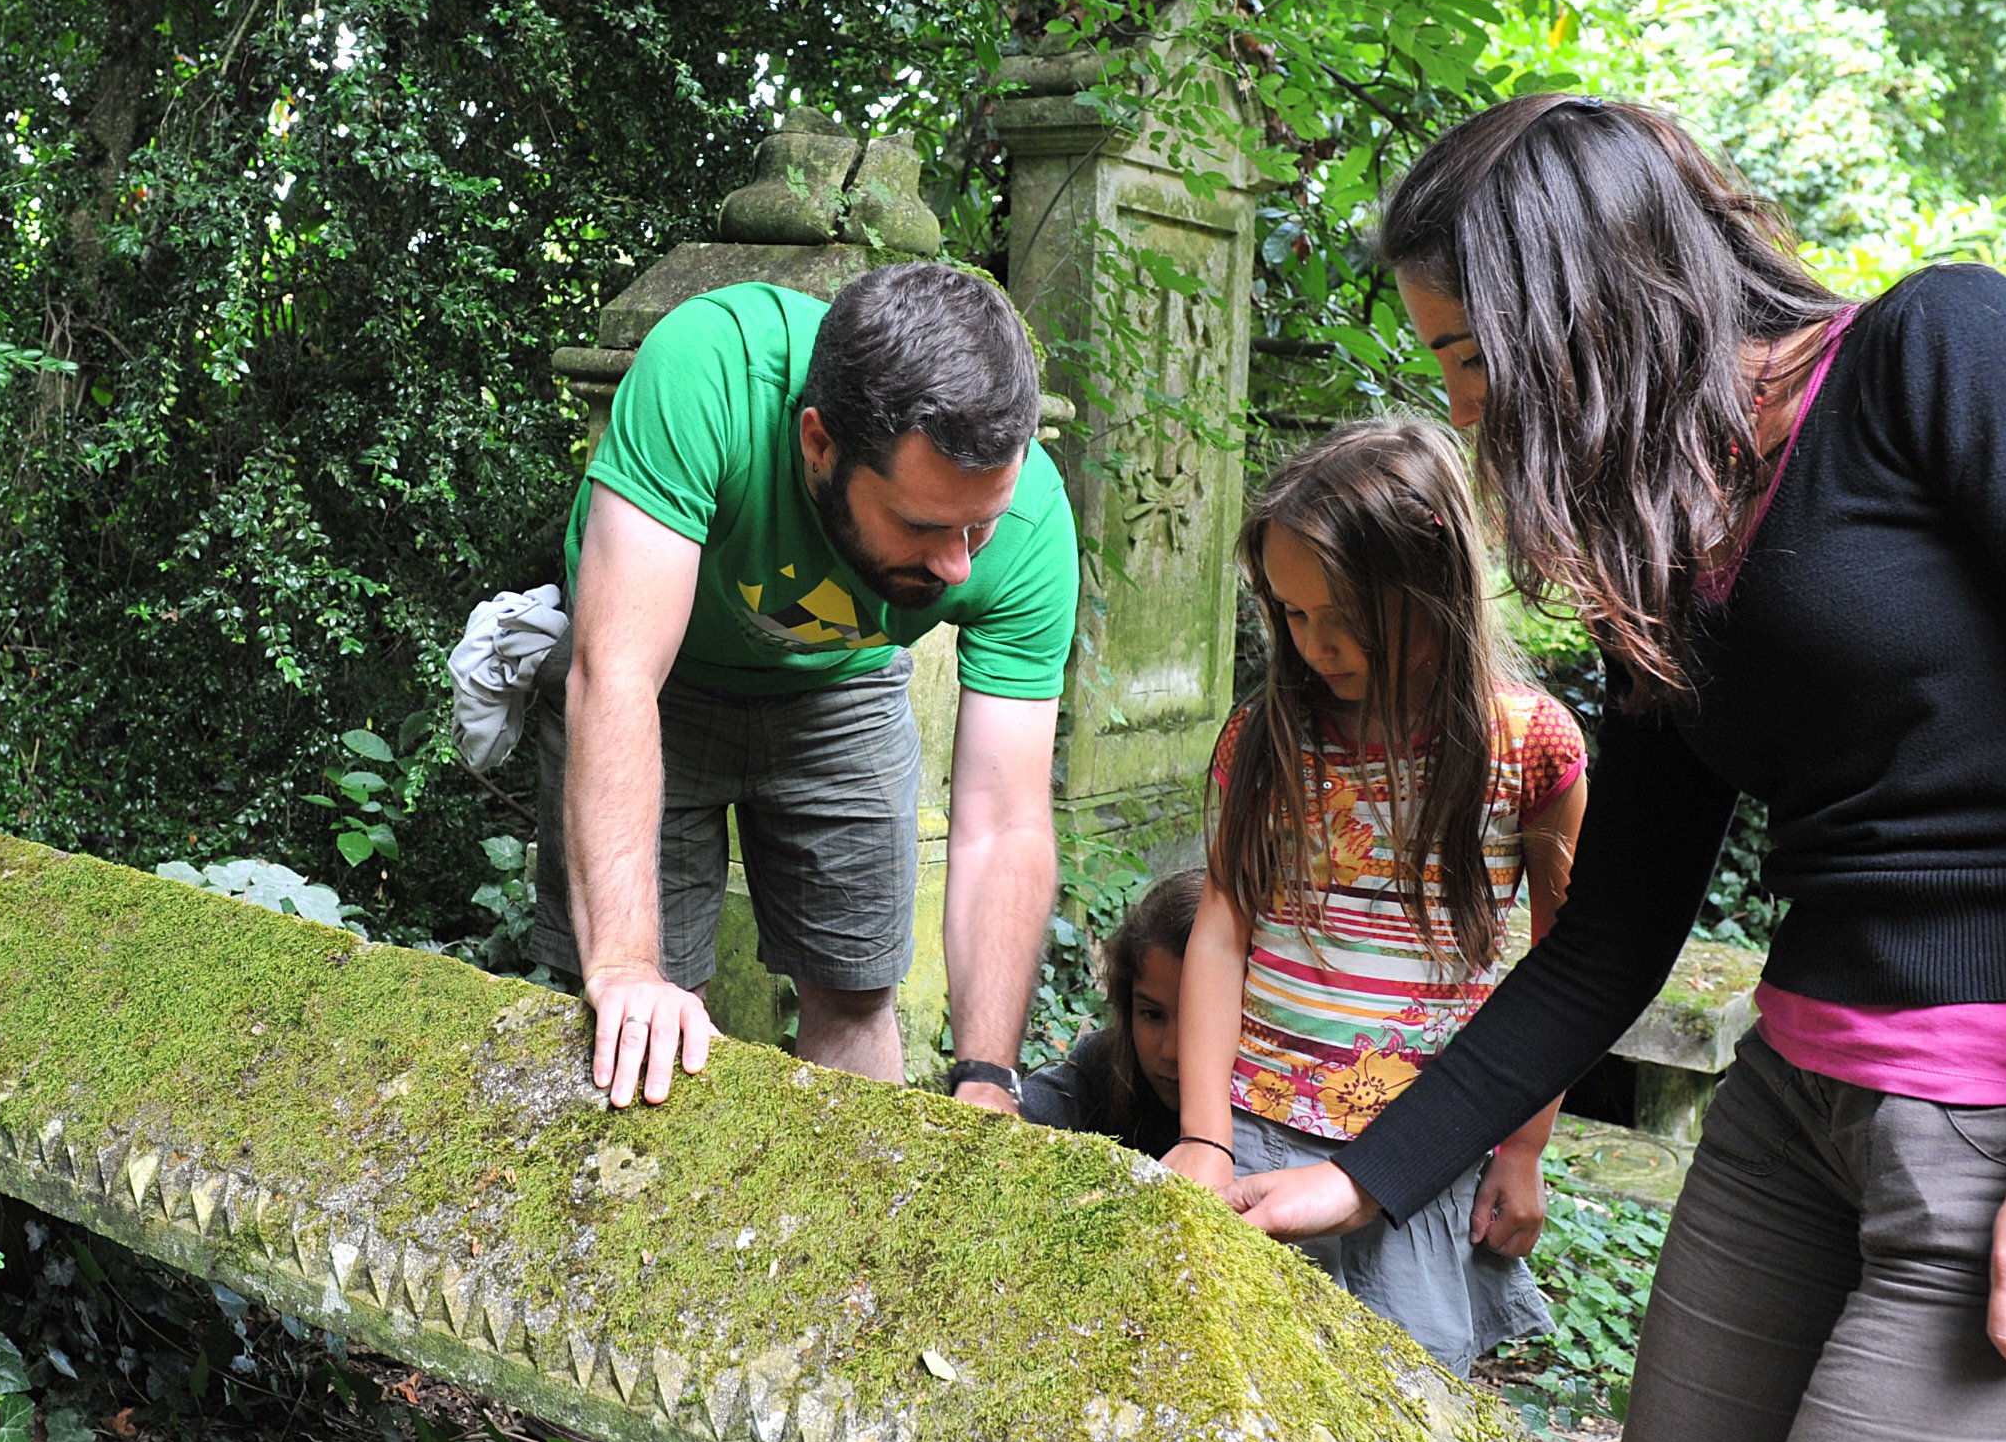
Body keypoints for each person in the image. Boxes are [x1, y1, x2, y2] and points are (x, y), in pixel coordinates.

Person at [1230, 96, 2006, 1442]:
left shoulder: (1943, 354)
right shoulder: (1658, 547)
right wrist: (1371, 1175)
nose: (1455, 403)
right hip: (1794, 1123)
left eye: (1461, 355)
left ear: (1569, 311)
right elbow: (1604, 939)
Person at [531, 262, 1078, 1115]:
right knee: (635, 1013)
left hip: (844, 697)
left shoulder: (1033, 524)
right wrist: (628, 967)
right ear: (818, 443)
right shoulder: (710, 368)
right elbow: (619, 672)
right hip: (658, 687)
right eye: (923, 525)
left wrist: (985, 1077)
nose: (959, 563)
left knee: (858, 991)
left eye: (983, 522)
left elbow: (1004, 820)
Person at [1173, 418, 1587, 1375]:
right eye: (1291, 614)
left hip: (1429, 1141)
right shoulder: (1268, 738)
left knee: (1403, 1388)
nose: (1314, 645)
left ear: (1429, 585)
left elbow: (1563, 976)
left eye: (1343, 616)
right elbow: (1222, 931)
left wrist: (1520, 1152)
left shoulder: (1530, 751)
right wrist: (1204, 1135)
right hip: (1259, 1127)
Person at [1017, 867, 1202, 1158]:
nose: (1171, 1051)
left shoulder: (1284, 1118)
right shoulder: (1108, 1068)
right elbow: (1023, 1114)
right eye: (1152, 1015)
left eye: (1199, 1024)